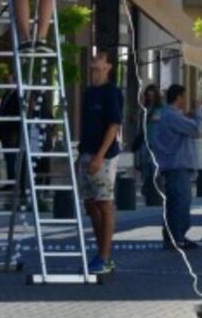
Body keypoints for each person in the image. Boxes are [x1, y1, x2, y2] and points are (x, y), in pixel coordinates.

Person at [77, 50, 123, 275]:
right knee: (90, 204)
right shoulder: (88, 92)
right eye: (94, 57)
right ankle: (101, 252)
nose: (94, 60)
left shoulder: (111, 92)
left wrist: (99, 156)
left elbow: (113, 125)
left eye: (100, 58)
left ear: (108, 67)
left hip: (103, 156)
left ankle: (104, 257)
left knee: (104, 203)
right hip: (86, 153)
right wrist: (82, 154)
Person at [151, 84, 202, 250]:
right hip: (178, 164)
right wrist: (198, 111)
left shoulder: (165, 115)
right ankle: (178, 237)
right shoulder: (172, 116)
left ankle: (171, 237)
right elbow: (195, 129)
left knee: (172, 203)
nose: (185, 100)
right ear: (178, 98)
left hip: (169, 164)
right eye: (183, 97)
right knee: (181, 202)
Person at [136, 84, 164, 200]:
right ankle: (147, 186)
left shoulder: (159, 108)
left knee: (154, 165)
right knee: (144, 164)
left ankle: (156, 189)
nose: (150, 98)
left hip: (156, 140)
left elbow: (155, 118)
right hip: (145, 140)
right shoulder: (145, 109)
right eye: (148, 96)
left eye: (152, 96)